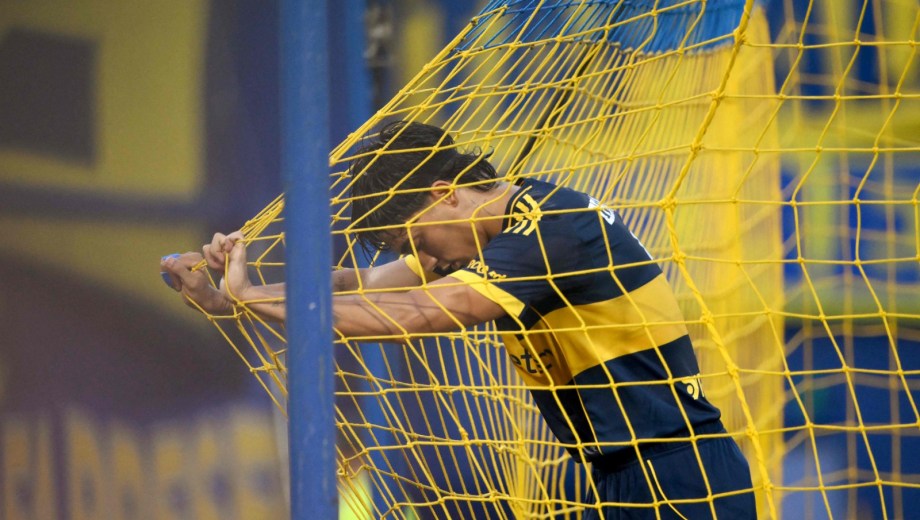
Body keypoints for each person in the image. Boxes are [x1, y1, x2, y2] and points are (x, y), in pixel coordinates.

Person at [161, 121, 756, 519]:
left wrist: (247, 299)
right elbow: (362, 284)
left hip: (681, 478)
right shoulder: (504, 230)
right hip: (628, 478)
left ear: (445, 193)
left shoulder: (548, 230)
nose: (431, 258)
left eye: (418, 238)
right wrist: (232, 297)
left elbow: (420, 311)